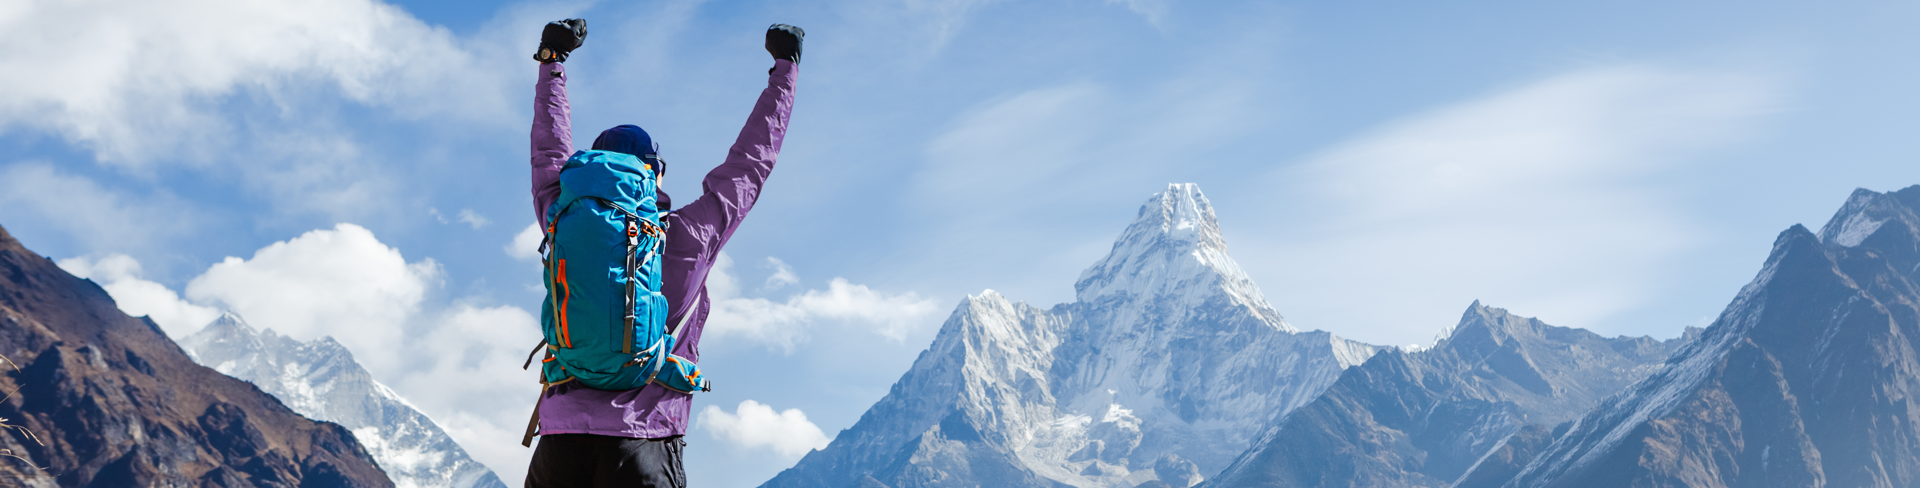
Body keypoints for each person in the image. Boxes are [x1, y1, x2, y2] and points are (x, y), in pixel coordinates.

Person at [522, 18, 805, 487]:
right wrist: (785, 68)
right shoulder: (693, 232)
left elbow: (547, 148)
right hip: (646, 442)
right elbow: (752, 162)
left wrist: (553, 61)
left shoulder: (560, 212)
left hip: (560, 441)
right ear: (655, 175)